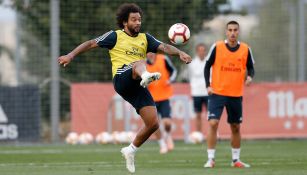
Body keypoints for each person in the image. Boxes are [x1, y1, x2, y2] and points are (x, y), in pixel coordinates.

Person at [58, 3, 191, 173]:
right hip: (122, 78)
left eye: (139, 20)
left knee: (153, 123)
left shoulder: (145, 38)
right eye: (134, 20)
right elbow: (91, 43)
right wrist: (70, 55)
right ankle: (145, 76)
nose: (138, 23)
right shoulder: (115, 36)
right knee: (139, 63)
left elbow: (164, 47)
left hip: (136, 84)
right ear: (124, 22)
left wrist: (179, 53)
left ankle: (130, 149)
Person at [203, 20, 255, 168]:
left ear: (238, 32)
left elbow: (251, 68)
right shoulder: (217, 47)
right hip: (217, 92)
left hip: (236, 94)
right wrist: (208, 85)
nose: (232, 33)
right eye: (230, 30)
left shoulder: (246, 49)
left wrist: (250, 77)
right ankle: (210, 159)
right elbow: (207, 67)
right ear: (226, 32)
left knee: (235, 127)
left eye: (235, 30)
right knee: (213, 123)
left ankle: (236, 160)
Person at [146, 52, 177, 154]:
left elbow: (174, 71)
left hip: (164, 97)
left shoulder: (163, 59)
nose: (149, 54)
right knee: (154, 124)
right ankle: (162, 145)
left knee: (167, 123)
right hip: (150, 99)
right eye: (147, 52)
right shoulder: (143, 64)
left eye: (151, 52)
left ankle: (167, 137)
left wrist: (170, 80)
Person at [188, 43, 208, 134]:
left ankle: (214, 133)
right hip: (196, 93)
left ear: (205, 52)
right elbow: (190, 77)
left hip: (208, 92)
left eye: (203, 50)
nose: (201, 52)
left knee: (211, 115)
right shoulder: (192, 63)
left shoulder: (209, 62)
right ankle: (199, 135)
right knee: (198, 114)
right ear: (197, 52)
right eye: (199, 51)